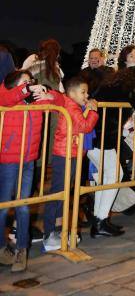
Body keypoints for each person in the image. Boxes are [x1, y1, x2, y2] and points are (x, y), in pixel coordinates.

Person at [88, 45, 135, 238]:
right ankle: (100, 221)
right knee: (113, 175)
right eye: (131, 54)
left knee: (109, 175)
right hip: (103, 135)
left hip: (94, 132)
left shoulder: (115, 80)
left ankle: (99, 221)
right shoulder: (132, 83)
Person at [42, 76, 99, 251]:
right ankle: (48, 233)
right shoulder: (70, 104)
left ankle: (58, 231)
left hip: (71, 153)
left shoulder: (75, 104)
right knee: (58, 192)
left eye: (87, 92)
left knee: (64, 192)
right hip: (64, 154)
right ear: (72, 93)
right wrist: (93, 111)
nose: (86, 95)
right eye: (83, 92)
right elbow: (84, 126)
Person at [0, 70, 49, 273]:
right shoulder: (7, 99)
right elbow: (6, 95)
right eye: (25, 82)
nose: (31, 84)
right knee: (3, 207)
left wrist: (50, 95)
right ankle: (2, 247)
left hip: (28, 161)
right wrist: (27, 87)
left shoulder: (35, 104)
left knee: (23, 206)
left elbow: (61, 102)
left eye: (31, 81)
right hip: (9, 161)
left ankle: (21, 248)